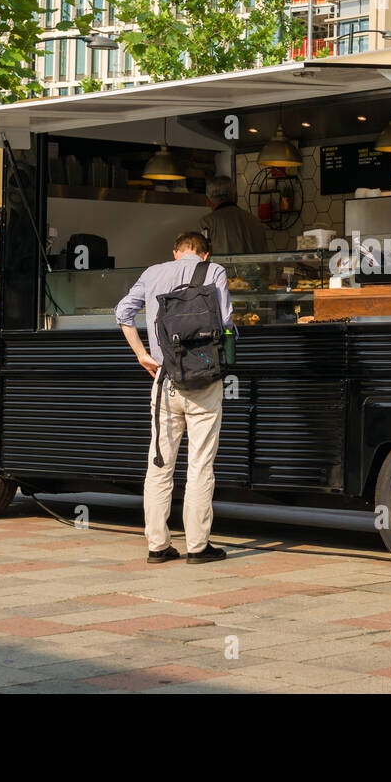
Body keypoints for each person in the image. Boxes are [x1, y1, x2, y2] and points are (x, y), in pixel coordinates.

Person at [115, 231, 233, 565]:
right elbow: (225, 323)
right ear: (205, 254)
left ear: (176, 252)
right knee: (199, 465)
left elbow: (123, 312)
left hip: (165, 380)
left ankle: (157, 545)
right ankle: (197, 546)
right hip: (204, 382)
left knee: (159, 464)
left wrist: (141, 354)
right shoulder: (215, 272)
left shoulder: (153, 273)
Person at [199, 175, 267, 255]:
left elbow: (202, 256)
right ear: (236, 197)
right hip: (255, 267)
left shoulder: (207, 223)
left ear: (208, 201)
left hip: (222, 267)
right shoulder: (254, 220)